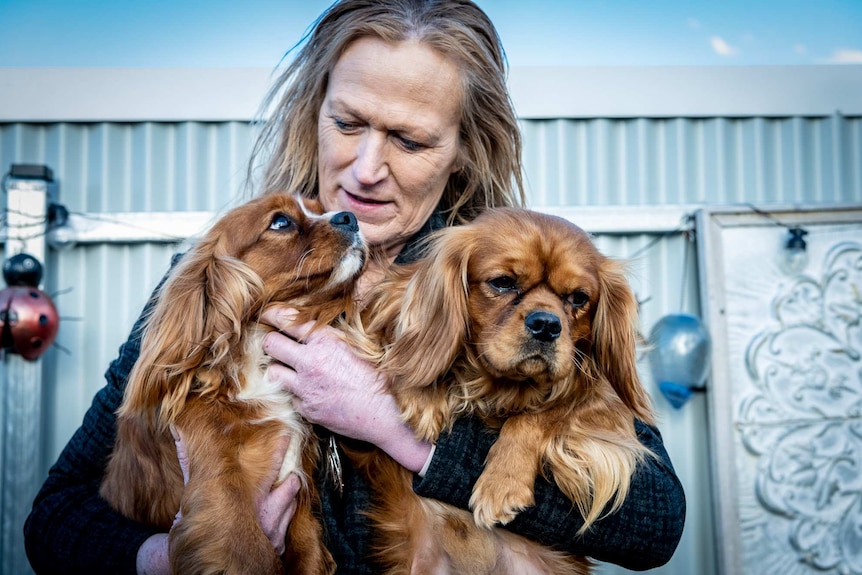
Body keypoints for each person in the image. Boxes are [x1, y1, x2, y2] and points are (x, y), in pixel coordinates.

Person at [23, 1, 686, 573]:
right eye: (348, 123)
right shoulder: (228, 273)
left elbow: (656, 522)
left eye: (409, 139)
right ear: (314, 112)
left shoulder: (485, 280)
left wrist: (398, 429)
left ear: (464, 150)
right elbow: (54, 520)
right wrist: (172, 556)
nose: (366, 168)